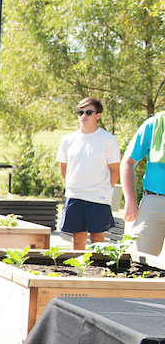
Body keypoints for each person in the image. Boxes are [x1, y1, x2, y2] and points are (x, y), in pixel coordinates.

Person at [57, 97, 121, 251]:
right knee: (78, 239)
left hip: (98, 197)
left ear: (98, 115)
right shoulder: (68, 140)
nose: (83, 116)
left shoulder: (109, 140)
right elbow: (63, 169)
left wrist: (104, 189)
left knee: (98, 240)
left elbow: (115, 171)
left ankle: (98, 272)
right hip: (75, 196)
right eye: (80, 112)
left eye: (88, 112)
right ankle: (80, 272)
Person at [121, 110, 165, 257]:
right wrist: (130, 201)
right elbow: (128, 162)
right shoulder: (154, 124)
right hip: (154, 202)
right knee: (139, 261)